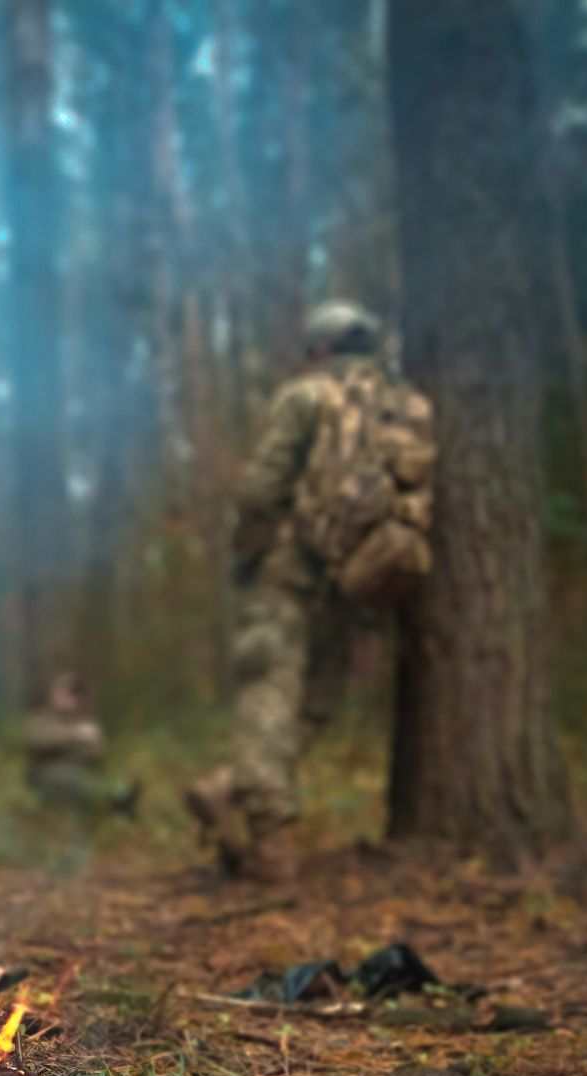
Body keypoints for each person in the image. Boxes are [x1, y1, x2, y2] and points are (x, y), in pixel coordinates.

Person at [186, 300, 435, 883]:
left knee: (269, 699)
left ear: (320, 351)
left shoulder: (305, 395)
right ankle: (228, 787)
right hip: (358, 579)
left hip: (287, 571)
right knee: (316, 707)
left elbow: (261, 488)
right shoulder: (411, 407)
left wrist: (248, 557)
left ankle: (269, 845)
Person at [25, 671, 139, 817]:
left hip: (79, 773)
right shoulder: (41, 718)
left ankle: (120, 799)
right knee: (74, 778)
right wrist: (75, 735)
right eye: (67, 693)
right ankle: (114, 802)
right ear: (54, 694)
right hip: (43, 776)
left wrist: (93, 745)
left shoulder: (83, 722)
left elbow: (96, 757)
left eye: (75, 695)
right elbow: (38, 742)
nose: (70, 699)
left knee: (101, 779)